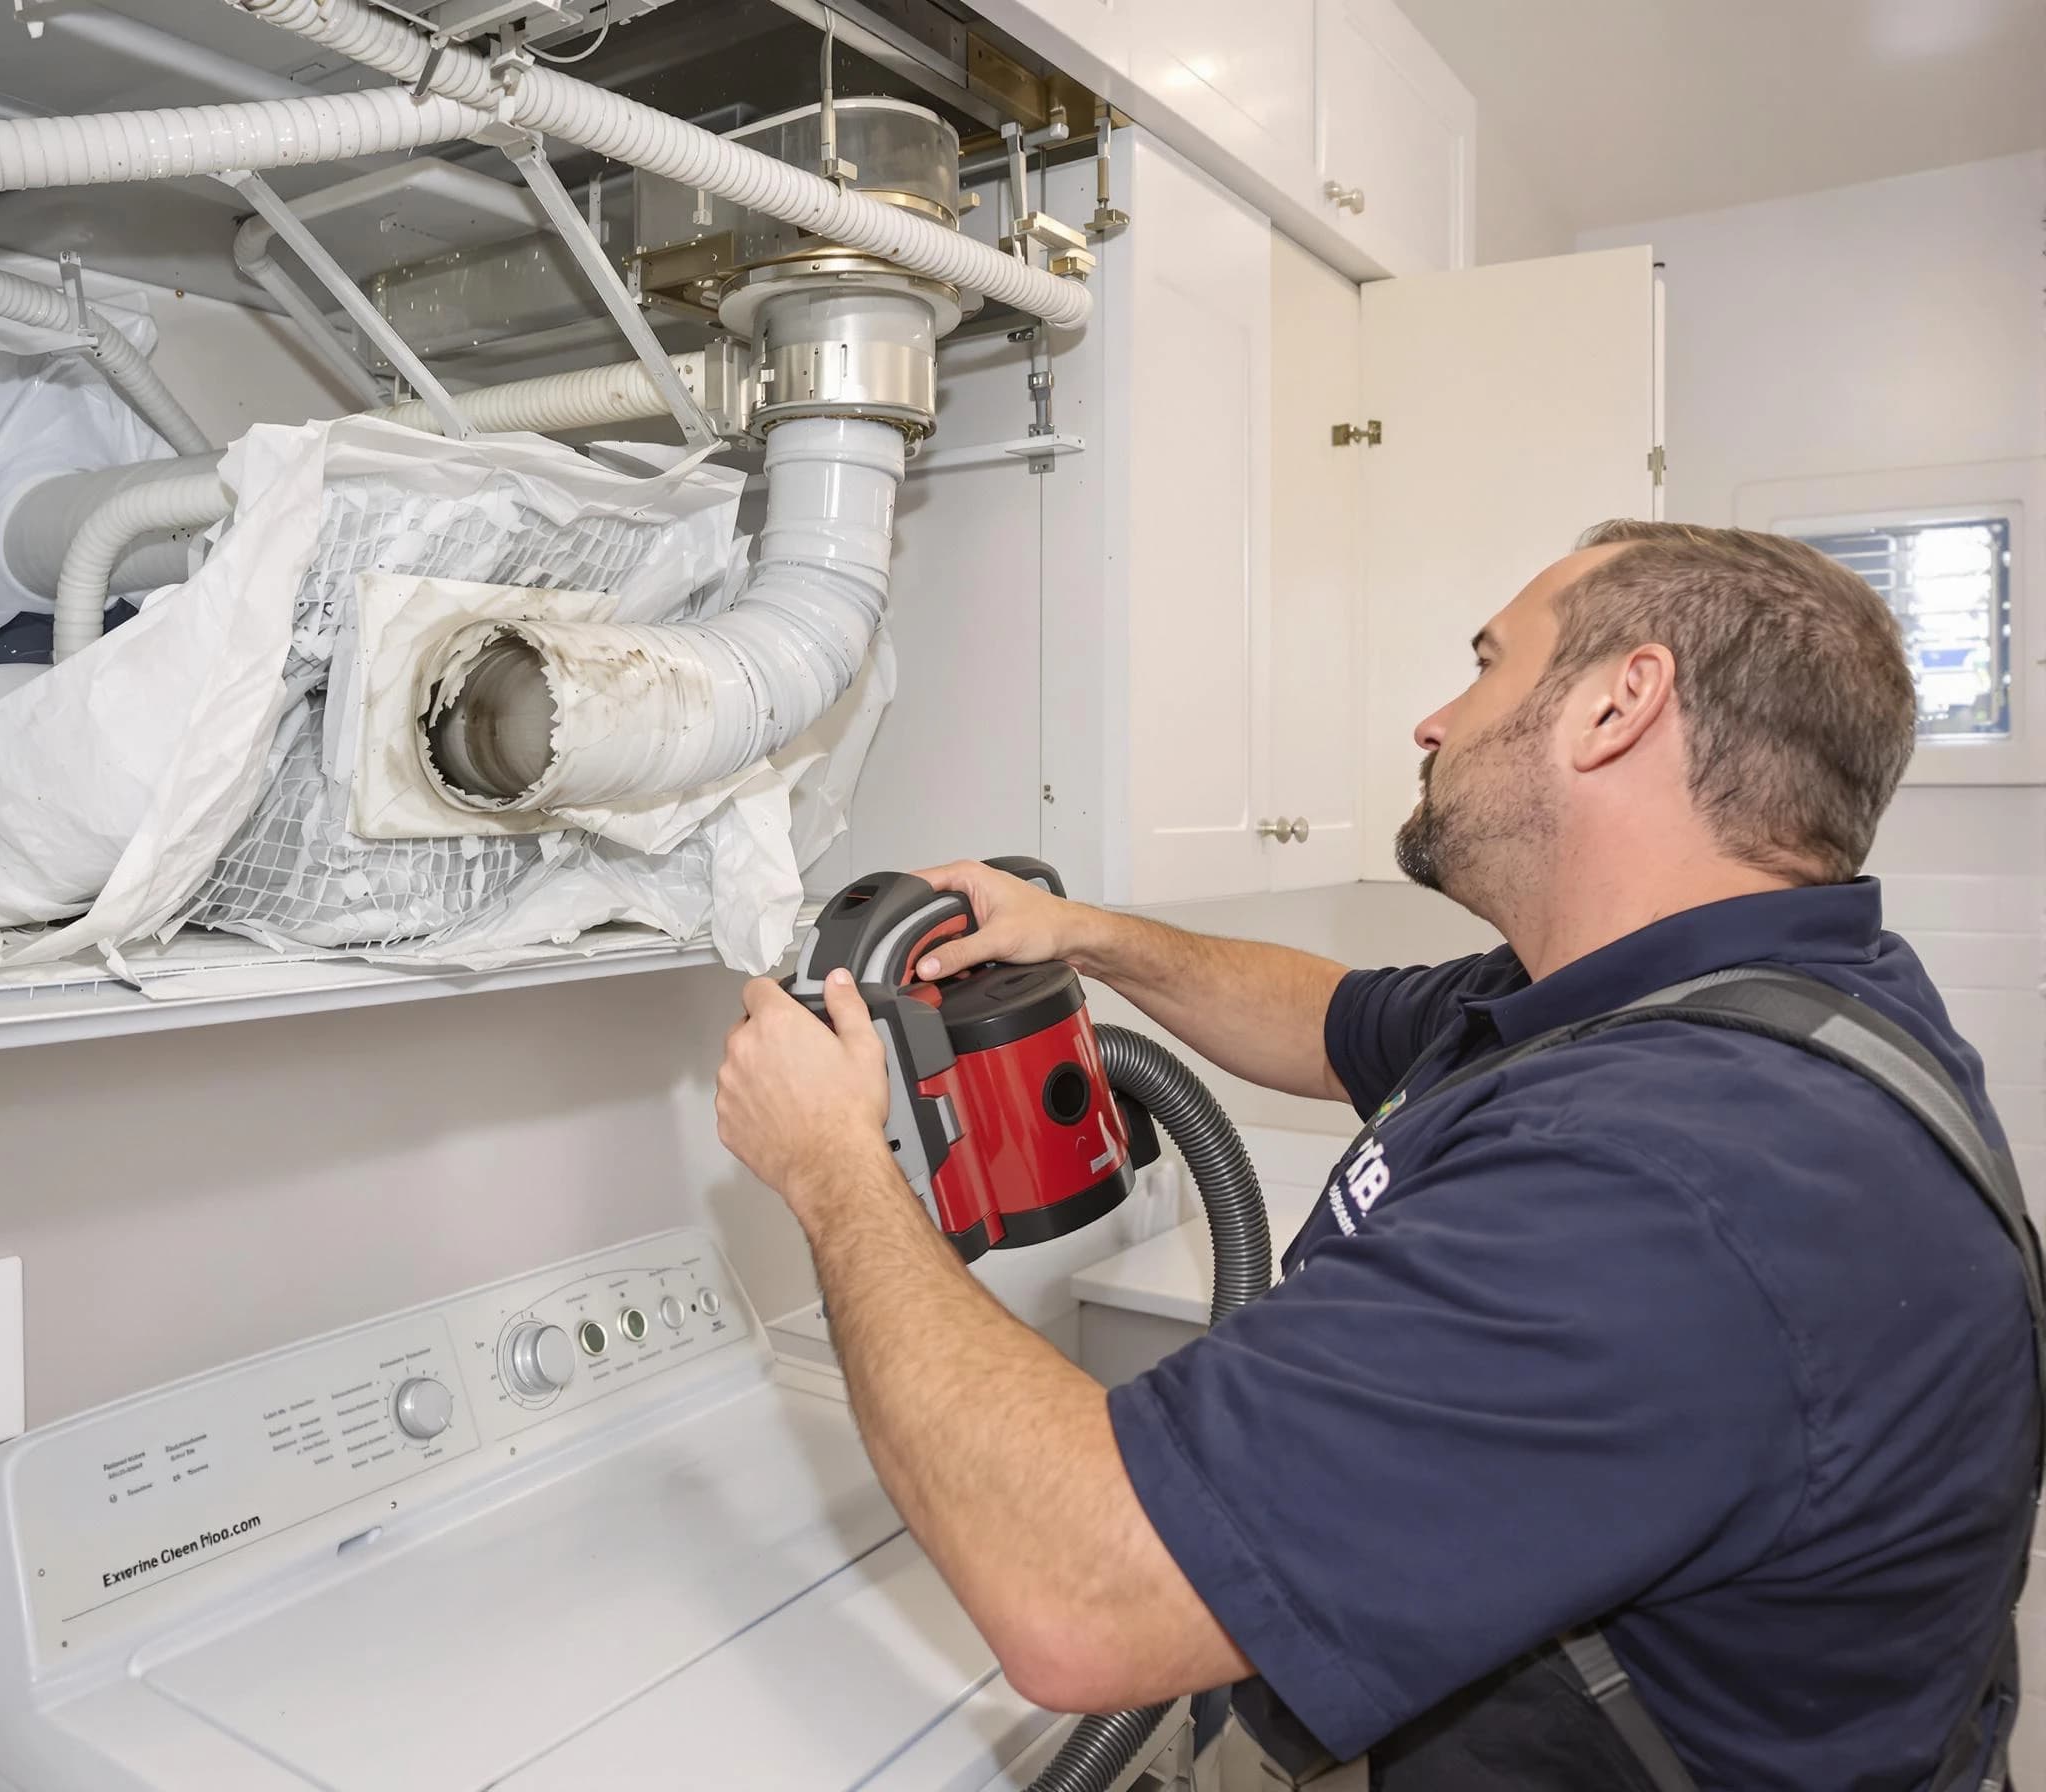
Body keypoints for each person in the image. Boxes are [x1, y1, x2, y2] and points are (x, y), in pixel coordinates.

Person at [713, 520, 2038, 1789]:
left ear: (1620, 704)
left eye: (1486, 662)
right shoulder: (1703, 993)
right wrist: (1082, 931)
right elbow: (1335, 1021)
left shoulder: (1667, 1185)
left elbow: (1083, 1599)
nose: (1435, 720)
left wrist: (837, 1166)